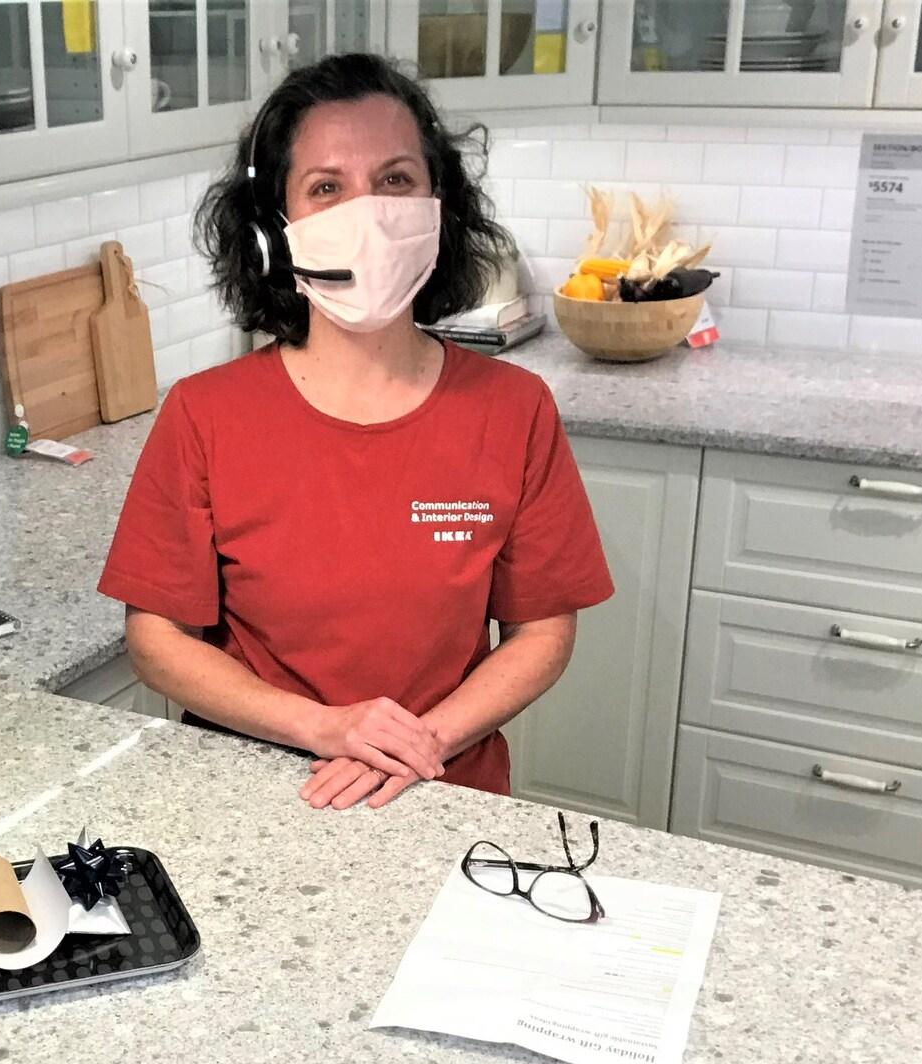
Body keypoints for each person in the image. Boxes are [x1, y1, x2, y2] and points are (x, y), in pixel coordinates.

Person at [97, 53, 612, 811]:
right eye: (326, 188)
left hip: (441, 793)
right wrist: (324, 726)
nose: (366, 214)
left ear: (440, 206)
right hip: (251, 794)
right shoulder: (206, 415)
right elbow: (157, 639)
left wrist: (424, 741)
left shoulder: (514, 409)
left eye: (396, 180)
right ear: (277, 226)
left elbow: (541, 630)